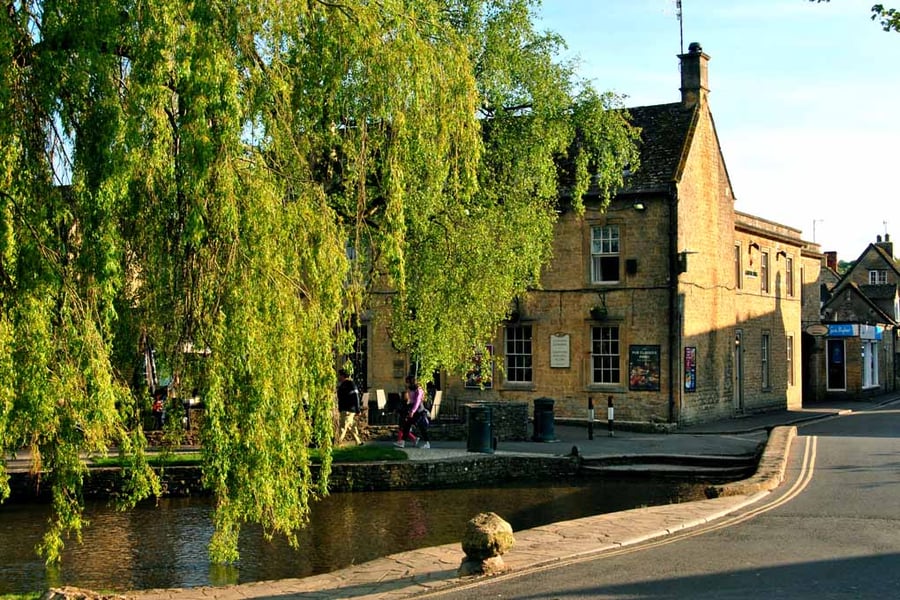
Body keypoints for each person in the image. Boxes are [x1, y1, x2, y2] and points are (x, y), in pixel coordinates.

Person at [394, 376, 430, 449]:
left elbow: (417, 401)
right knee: (407, 425)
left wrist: (412, 411)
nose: (406, 384)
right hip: (413, 409)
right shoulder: (410, 389)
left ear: (410, 382)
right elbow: (411, 400)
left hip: (419, 411)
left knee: (421, 427)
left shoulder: (418, 390)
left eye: (407, 382)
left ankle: (427, 443)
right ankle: (402, 442)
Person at [336, 368, 363, 445]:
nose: (338, 377)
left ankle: (338, 443)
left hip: (348, 409)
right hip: (345, 409)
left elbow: (356, 397)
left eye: (339, 375)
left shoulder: (350, 384)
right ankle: (358, 442)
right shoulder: (343, 385)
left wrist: (358, 409)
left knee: (343, 427)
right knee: (351, 425)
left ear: (342, 376)